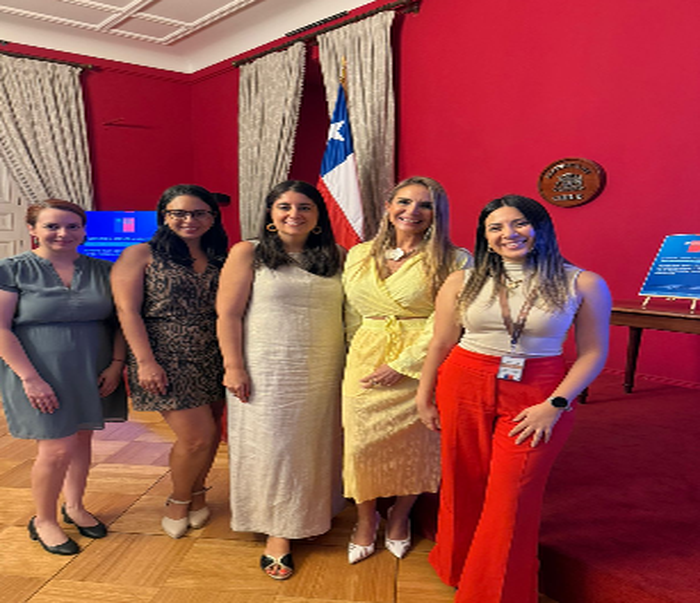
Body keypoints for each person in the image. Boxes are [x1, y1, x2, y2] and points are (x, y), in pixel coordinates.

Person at [415, 195, 611, 602]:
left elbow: (593, 353)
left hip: (540, 391)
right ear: (485, 237)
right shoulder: (462, 280)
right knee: (462, 482)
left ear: (540, 227)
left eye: (519, 223)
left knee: (512, 495)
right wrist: (423, 395)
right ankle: (458, 566)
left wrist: (555, 405)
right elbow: (441, 342)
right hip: (463, 381)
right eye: (496, 227)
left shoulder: (582, 283)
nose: (509, 234)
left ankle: (495, 593)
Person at [217, 180, 345, 580]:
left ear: (318, 215)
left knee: (315, 444)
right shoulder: (248, 252)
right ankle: (278, 530)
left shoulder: (337, 255)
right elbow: (228, 314)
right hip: (267, 368)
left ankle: (312, 512)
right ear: (271, 215)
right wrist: (233, 366)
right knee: (274, 446)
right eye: (284, 206)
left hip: (323, 368)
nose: (294, 214)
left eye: (305, 206)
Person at [342, 176, 471, 564]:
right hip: (364, 356)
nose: (412, 211)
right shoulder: (359, 254)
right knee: (360, 446)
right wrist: (349, 352)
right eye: (404, 202)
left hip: (423, 362)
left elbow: (448, 321)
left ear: (437, 214)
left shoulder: (455, 259)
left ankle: (400, 517)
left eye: (425, 205)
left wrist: (402, 364)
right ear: (388, 207)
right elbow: (351, 311)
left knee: (417, 445)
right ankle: (365, 520)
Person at [0, 199, 126, 555]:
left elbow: (119, 321)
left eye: (72, 226)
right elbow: (1, 328)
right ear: (33, 230)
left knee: (81, 439)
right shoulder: (12, 269)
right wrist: (30, 378)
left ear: (84, 230)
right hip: (37, 371)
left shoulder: (105, 270)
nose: (63, 233)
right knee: (56, 448)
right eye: (52, 226)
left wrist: (116, 364)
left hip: (93, 367)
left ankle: (74, 506)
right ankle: (44, 520)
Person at [111, 184, 228, 539]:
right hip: (164, 355)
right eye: (179, 213)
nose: (189, 220)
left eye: (199, 213)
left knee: (211, 433)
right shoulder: (140, 254)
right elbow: (127, 311)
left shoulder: (220, 256)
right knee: (196, 437)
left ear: (212, 217)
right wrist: (145, 362)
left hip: (214, 353)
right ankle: (178, 500)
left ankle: (198, 493)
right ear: (164, 216)